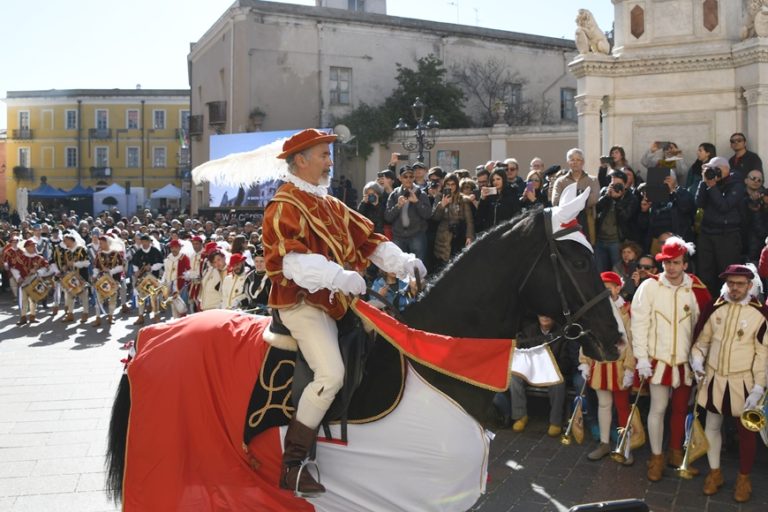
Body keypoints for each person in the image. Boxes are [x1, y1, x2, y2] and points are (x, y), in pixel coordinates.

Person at [261, 128, 426, 497]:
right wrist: (337, 275)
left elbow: (368, 241)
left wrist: (405, 262)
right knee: (331, 374)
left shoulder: (330, 203)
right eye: (323, 154)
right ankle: (292, 465)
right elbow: (290, 261)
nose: (330, 161)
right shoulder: (284, 205)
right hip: (301, 302)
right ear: (300, 160)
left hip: (337, 299)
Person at [631, 237, 711, 482]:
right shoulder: (649, 287)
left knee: (680, 409)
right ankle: (656, 458)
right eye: (667, 263)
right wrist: (641, 358)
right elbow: (639, 324)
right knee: (658, 408)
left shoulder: (696, 288)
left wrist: (699, 359)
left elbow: (705, 328)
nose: (671, 268)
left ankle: (676, 454)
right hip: (658, 360)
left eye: (676, 262)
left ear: (685, 264)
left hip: (686, 363)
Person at [691, 264, 768, 502]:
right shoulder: (715, 308)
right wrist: (696, 360)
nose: (735, 288)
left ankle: (743, 479)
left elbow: (763, 353)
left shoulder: (759, 314)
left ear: (749, 286)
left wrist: (758, 388)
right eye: (731, 283)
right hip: (714, 379)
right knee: (712, 426)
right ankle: (715, 473)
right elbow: (701, 341)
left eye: (740, 284)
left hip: (744, 382)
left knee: (746, 433)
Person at [580, 271, 636, 464]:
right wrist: (584, 362)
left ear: (618, 288)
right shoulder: (594, 311)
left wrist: (630, 367)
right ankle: (604, 443)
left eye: (608, 287)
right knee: (603, 405)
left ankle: (625, 446)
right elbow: (586, 337)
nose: (605, 292)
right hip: (600, 365)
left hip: (619, 367)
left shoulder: (627, 311)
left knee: (622, 407)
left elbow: (631, 339)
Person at [505, 315, 570, 437]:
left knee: (558, 381)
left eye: (548, 315)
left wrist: (550, 367)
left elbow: (566, 362)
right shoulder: (528, 331)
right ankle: (520, 416)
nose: (545, 317)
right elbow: (520, 353)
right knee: (514, 377)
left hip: (550, 371)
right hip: (530, 371)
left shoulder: (561, 333)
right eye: (542, 314)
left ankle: (555, 422)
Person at [695, 157, 747, 296]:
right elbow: (699, 203)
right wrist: (703, 180)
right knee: (706, 273)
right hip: (707, 233)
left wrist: (712, 186)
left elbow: (724, 206)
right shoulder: (709, 182)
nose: (713, 172)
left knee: (725, 273)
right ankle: (707, 304)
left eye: (715, 169)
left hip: (727, 235)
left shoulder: (737, 184)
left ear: (725, 169)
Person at [384, 165, 432, 261]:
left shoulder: (421, 193)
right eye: (405, 177)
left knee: (417, 267)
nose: (408, 179)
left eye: (411, 176)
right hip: (398, 236)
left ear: (414, 178)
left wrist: (417, 202)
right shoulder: (394, 194)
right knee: (400, 268)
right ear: (400, 178)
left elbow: (428, 214)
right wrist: (398, 206)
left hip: (417, 235)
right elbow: (388, 217)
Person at [552, 148, 600, 243]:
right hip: (566, 221)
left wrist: (570, 200)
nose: (575, 162)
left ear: (583, 162)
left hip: (587, 218)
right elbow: (556, 201)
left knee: (588, 247)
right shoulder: (560, 181)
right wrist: (581, 196)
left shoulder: (592, 180)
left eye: (578, 160)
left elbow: (594, 199)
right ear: (568, 162)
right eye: (572, 159)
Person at [595, 170, 639, 271]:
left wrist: (618, 200)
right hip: (600, 240)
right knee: (600, 271)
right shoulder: (605, 192)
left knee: (618, 271)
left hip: (617, 242)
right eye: (613, 184)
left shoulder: (631, 198)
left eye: (618, 185)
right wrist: (607, 196)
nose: (615, 187)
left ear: (625, 185)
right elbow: (597, 209)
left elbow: (625, 217)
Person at [431, 173, 474, 268]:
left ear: (457, 185)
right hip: (443, 236)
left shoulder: (463, 199)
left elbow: (469, 220)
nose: (450, 187)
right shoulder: (439, 197)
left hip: (459, 235)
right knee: (442, 265)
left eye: (453, 184)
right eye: (448, 184)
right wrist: (442, 205)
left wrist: (469, 236)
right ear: (444, 185)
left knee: (458, 264)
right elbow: (434, 218)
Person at [10, 239, 51, 325]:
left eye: (34, 246)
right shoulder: (19, 258)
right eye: (31, 246)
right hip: (23, 282)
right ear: (26, 247)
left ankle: (33, 316)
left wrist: (37, 272)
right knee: (23, 300)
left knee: (33, 299)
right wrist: (18, 277)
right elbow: (13, 268)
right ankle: (23, 317)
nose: (34, 247)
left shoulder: (39, 258)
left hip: (35, 281)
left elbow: (47, 267)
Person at [130, 234, 164, 325]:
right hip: (142, 278)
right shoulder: (138, 252)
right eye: (143, 242)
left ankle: (156, 315)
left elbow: (160, 263)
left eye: (146, 242)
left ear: (150, 242)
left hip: (153, 277)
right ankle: (140, 316)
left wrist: (152, 267)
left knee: (154, 296)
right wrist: (136, 271)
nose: (144, 244)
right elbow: (135, 264)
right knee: (141, 297)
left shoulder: (155, 251)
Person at [92, 235, 125, 326]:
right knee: (98, 299)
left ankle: (111, 316)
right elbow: (96, 267)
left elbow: (121, 267)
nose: (100, 244)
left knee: (113, 299)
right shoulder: (99, 254)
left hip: (113, 280)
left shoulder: (116, 253)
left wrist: (110, 271)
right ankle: (98, 318)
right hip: (102, 280)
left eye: (101, 243)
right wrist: (94, 275)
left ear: (107, 243)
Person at [476, 168, 522, 233]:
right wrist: (482, 198)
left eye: (498, 179)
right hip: (489, 233)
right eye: (493, 180)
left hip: (506, 233)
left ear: (503, 179)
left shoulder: (512, 193)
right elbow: (480, 216)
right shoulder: (489, 195)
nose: (495, 182)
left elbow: (517, 214)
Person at [61, 231, 91, 324]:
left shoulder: (81, 249)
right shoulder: (67, 252)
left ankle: (85, 314)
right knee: (70, 295)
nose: (64, 243)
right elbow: (65, 263)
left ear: (70, 240)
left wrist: (74, 264)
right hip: (71, 277)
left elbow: (87, 263)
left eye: (65, 241)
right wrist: (65, 267)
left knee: (84, 296)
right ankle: (70, 314)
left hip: (81, 276)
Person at [161, 239, 190, 319]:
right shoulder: (168, 258)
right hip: (170, 285)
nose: (174, 249)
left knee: (182, 306)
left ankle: (183, 322)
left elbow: (189, 270)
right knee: (173, 305)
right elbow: (166, 272)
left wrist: (185, 275)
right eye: (172, 247)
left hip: (180, 285)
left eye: (176, 247)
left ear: (180, 248)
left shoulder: (184, 257)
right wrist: (163, 281)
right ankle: (176, 321)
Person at [200, 243, 226, 311]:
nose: (208, 256)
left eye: (218, 259)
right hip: (205, 306)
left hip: (216, 308)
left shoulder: (225, 271)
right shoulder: (209, 269)